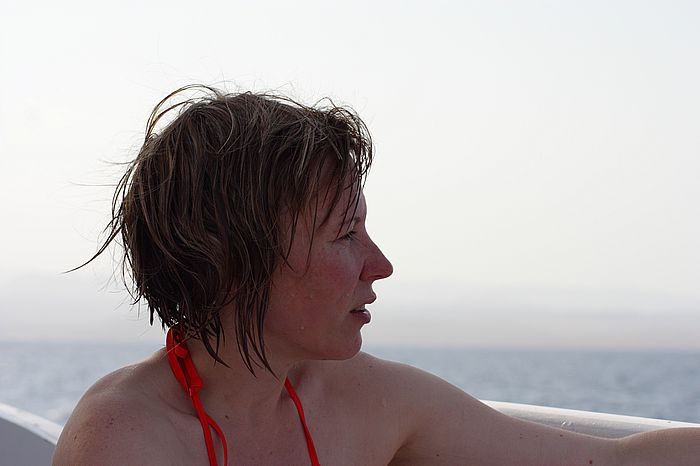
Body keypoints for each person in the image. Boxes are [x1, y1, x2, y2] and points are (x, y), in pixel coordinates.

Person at [53, 85, 699, 466]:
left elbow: (610, 461)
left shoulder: (364, 400)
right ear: (232, 265)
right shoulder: (124, 439)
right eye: (344, 235)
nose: (380, 265)